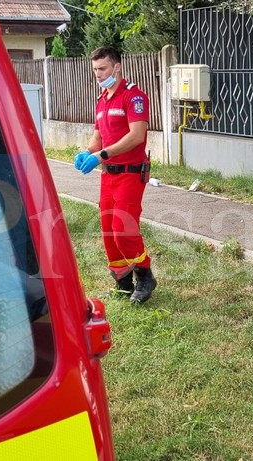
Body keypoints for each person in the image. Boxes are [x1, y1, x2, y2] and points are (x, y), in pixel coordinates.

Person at [73, 45, 157, 303]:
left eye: (103, 68)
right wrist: (87, 152)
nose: (98, 74)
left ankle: (145, 276)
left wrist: (101, 156)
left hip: (131, 174)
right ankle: (123, 282)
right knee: (109, 231)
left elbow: (136, 136)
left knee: (123, 228)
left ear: (117, 66)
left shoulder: (134, 97)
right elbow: (98, 137)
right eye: (95, 69)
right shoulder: (102, 100)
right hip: (108, 176)